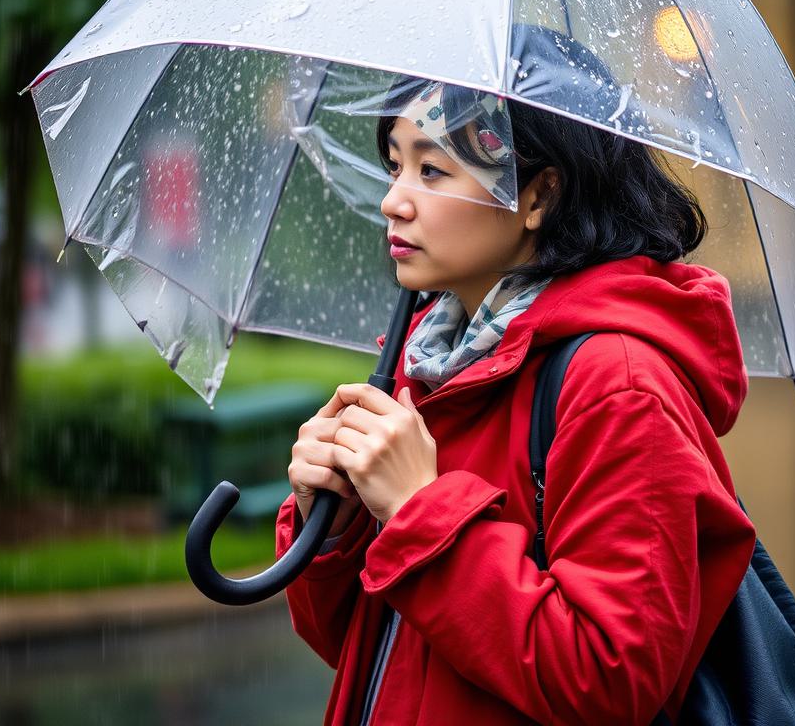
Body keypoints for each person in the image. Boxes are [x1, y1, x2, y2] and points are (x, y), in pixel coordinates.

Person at [281, 82, 753, 726]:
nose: (393, 202)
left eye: (433, 170)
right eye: (395, 165)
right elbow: (370, 647)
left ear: (538, 195)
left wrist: (421, 512)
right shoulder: (430, 366)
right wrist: (331, 527)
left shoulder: (620, 387)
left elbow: (609, 680)